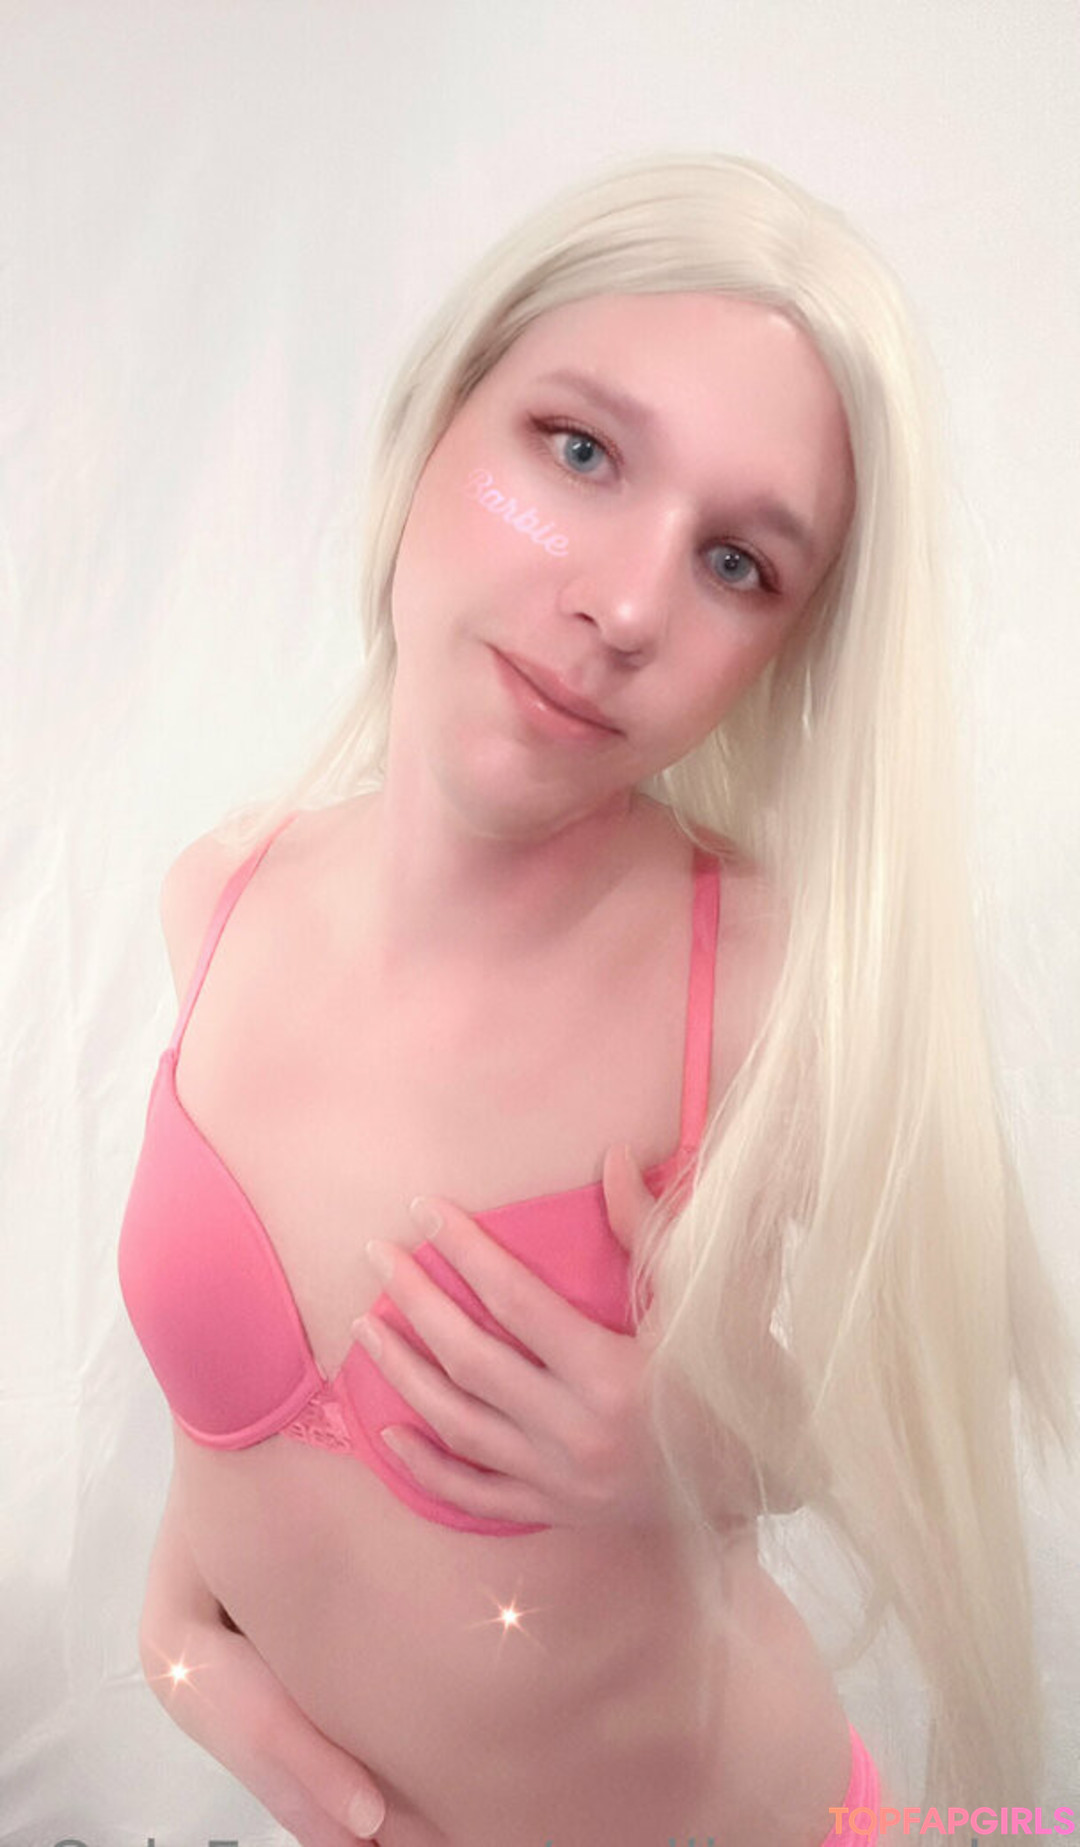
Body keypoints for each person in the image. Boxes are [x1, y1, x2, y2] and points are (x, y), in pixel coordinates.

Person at [118, 152, 1075, 1846]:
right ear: (441, 418)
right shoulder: (223, 895)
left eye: (738, 564)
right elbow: (245, 1445)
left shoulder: (762, 994)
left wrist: (691, 1450)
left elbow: (921, 1409)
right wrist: (187, 1655)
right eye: (577, 453)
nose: (623, 606)